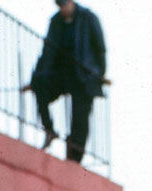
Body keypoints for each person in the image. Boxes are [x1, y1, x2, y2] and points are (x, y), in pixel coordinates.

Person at [22, 0, 106, 162]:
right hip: (62, 74)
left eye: (64, 4)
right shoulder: (56, 21)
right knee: (41, 87)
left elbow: (100, 50)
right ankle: (49, 130)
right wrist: (35, 80)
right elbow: (47, 52)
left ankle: (75, 157)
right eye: (59, 5)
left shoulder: (88, 17)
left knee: (80, 119)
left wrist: (98, 75)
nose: (62, 9)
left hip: (84, 76)